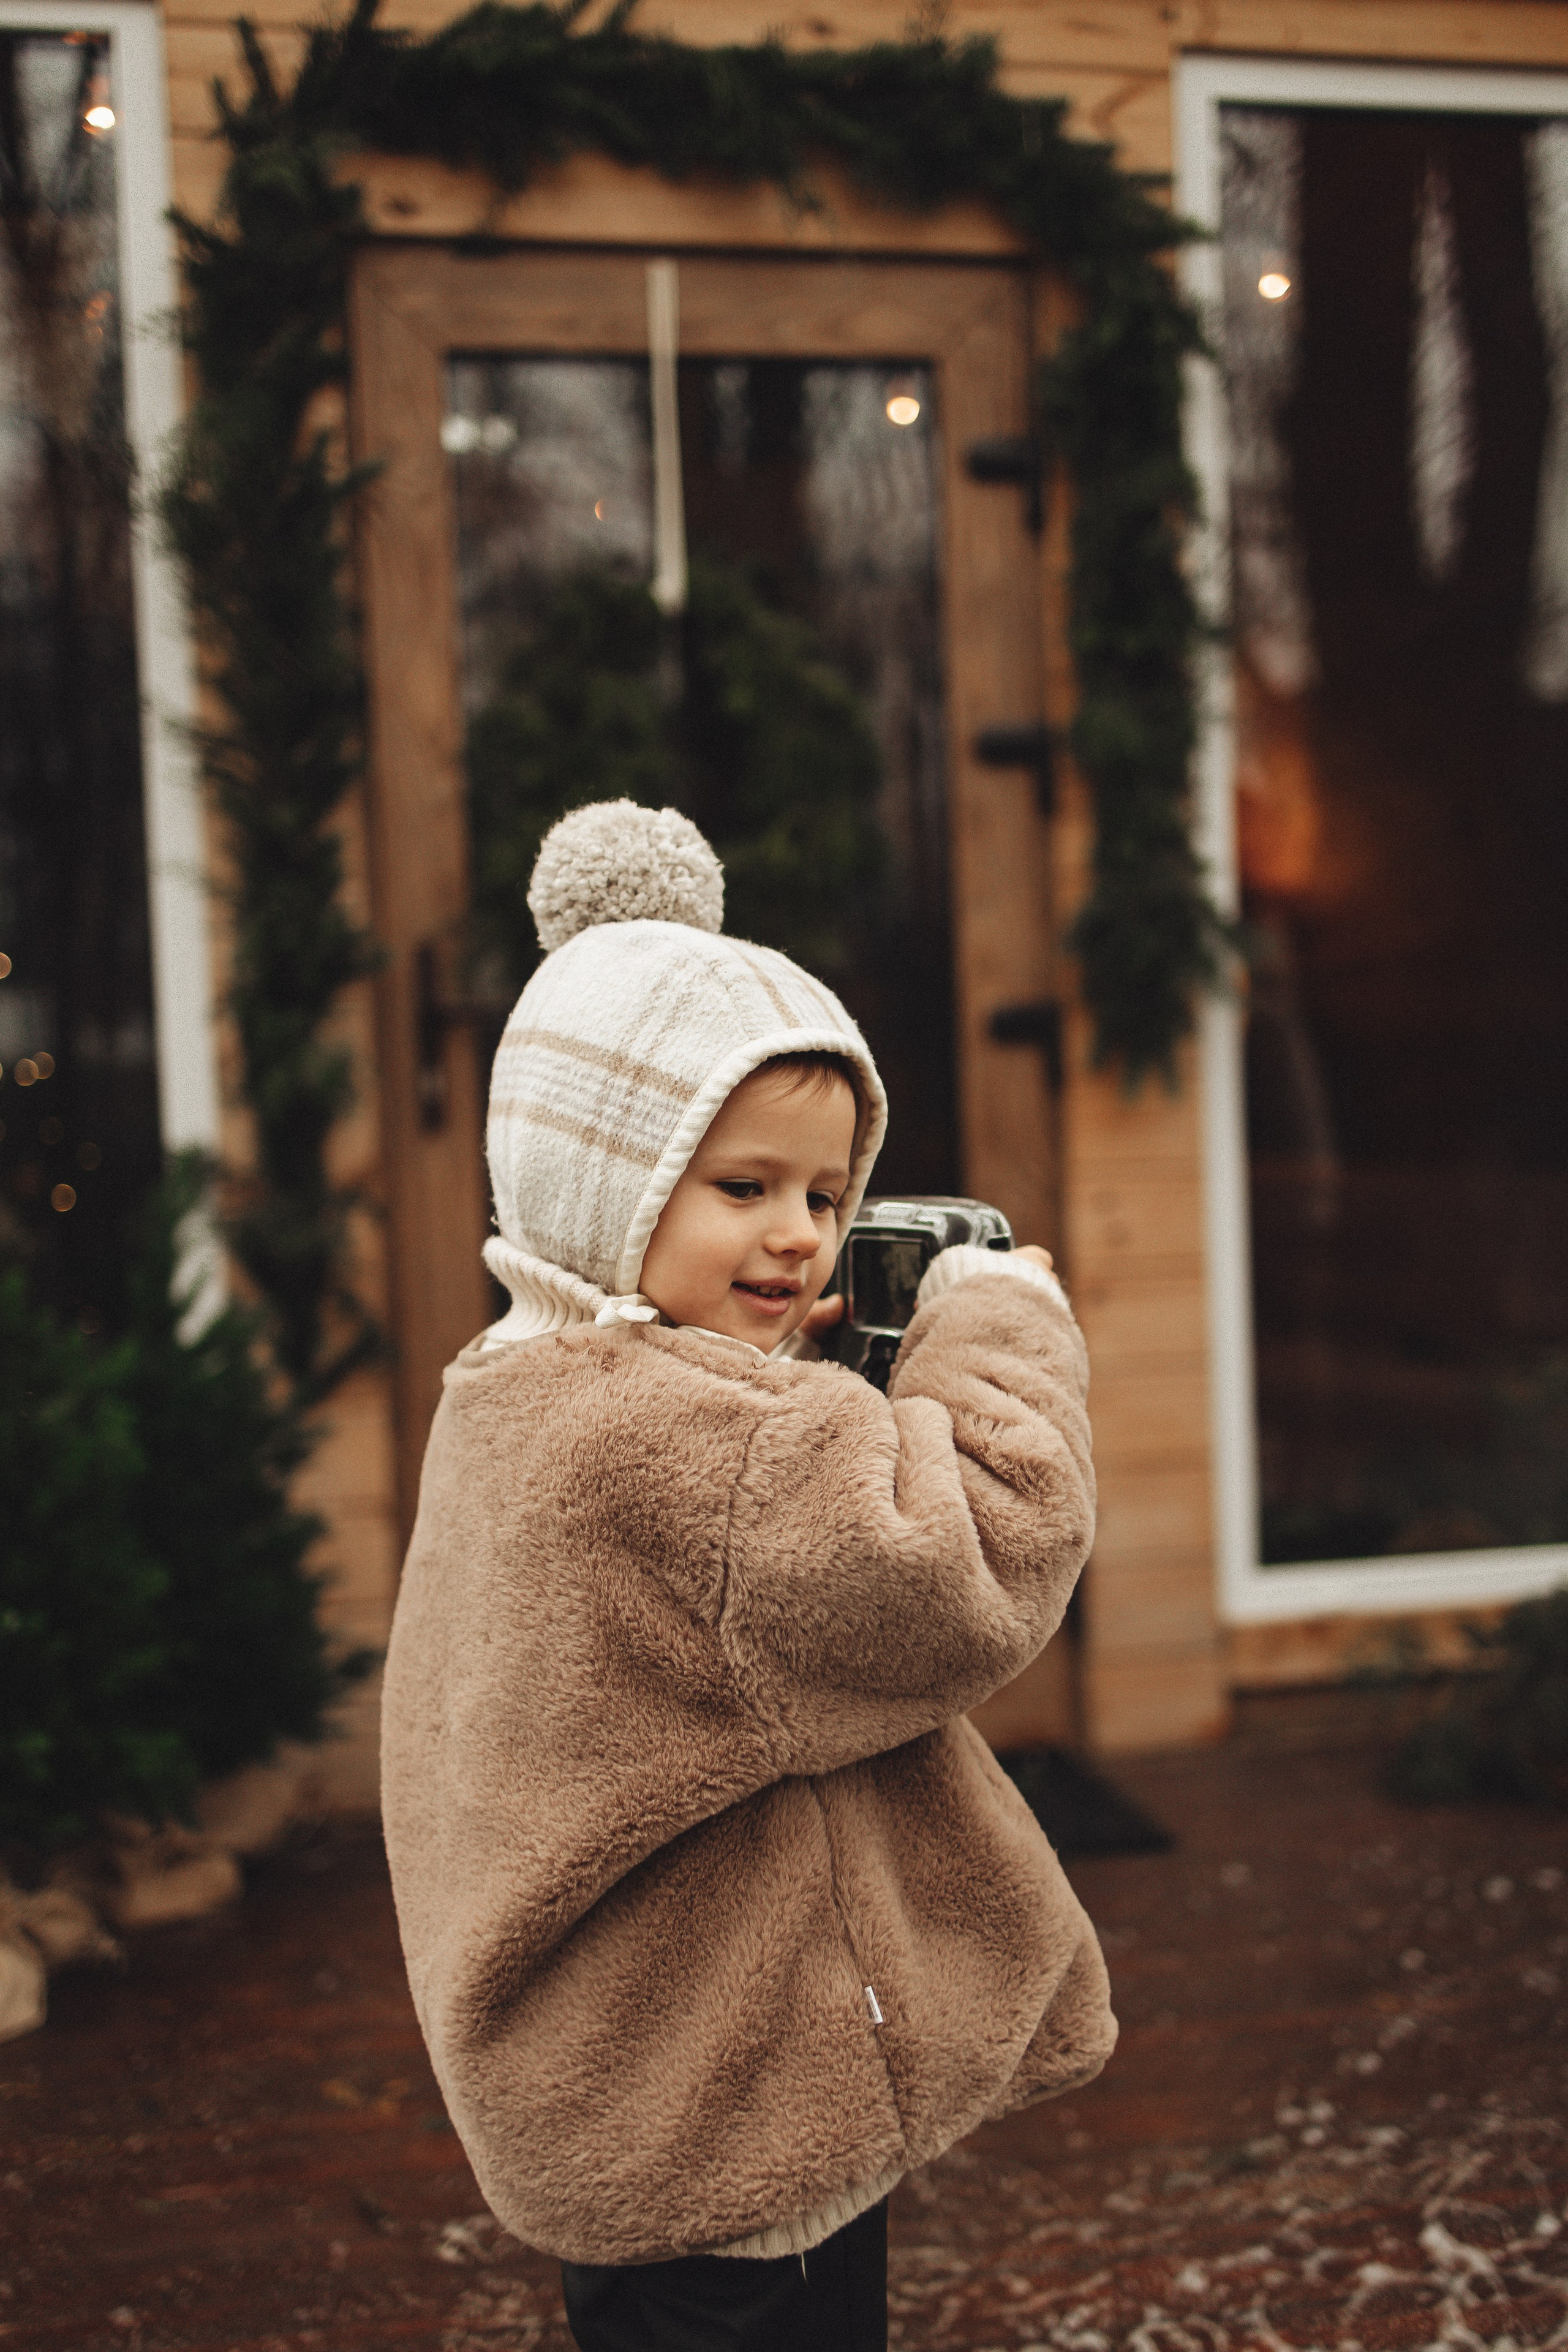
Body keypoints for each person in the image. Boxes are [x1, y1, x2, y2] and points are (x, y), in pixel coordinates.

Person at [380, 801, 1115, 2352]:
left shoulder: (519, 1383)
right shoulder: (693, 1452)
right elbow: (979, 1554)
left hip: (625, 2101)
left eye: (825, 1193)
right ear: (610, 1184)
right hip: (732, 2132)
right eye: (741, 1189)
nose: (797, 1235)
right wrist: (996, 1325)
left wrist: (807, 1373)